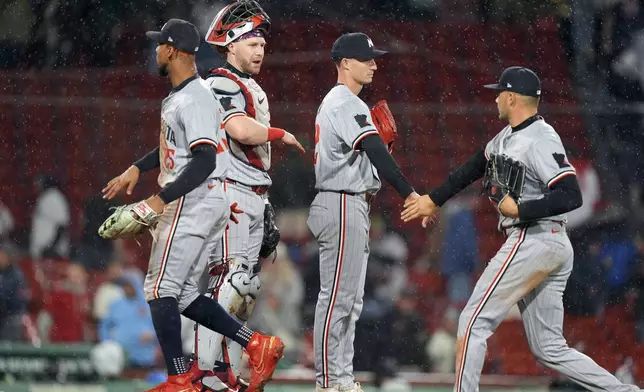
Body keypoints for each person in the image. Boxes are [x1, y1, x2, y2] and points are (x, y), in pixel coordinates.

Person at [401, 66, 641, 392]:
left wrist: (522, 209)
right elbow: (472, 167)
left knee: (472, 321)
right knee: (549, 349)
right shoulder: (504, 138)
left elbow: (571, 194)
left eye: (500, 92)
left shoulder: (542, 138)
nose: (496, 98)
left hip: (535, 236)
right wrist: (433, 199)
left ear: (512, 97)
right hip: (544, 243)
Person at [101, 18, 283, 392]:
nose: (154, 51)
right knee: (182, 294)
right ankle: (255, 343)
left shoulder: (196, 95)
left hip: (193, 199)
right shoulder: (188, 94)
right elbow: (183, 146)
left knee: (157, 290)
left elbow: (204, 160)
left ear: (171, 50)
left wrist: (157, 200)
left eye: (158, 45)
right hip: (202, 200)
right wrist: (138, 167)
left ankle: (179, 377)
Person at [191, 2, 304, 391]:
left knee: (245, 288)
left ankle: (224, 367)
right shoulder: (221, 80)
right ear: (230, 44)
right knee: (230, 282)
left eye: (261, 43)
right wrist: (279, 134)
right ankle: (204, 372)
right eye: (250, 42)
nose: (259, 49)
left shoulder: (247, 84)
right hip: (229, 193)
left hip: (252, 193)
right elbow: (238, 128)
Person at [308, 32, 419, 392]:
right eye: (366, 58)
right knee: (337, 299)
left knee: (350, 301)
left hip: (349, 201)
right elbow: (373, 149)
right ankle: (328, 381)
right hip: (340, 200)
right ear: (345, 63)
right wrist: (409, 192)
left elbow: (370, 151)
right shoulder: (345, 102)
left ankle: (341, 378)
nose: (374, 64)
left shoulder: (348, 102)